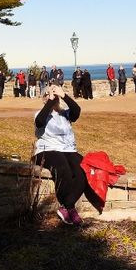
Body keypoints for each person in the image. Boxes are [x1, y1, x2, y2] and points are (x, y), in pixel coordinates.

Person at [33, 83, 93, 226]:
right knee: (63, 169)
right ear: (44, 98)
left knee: (84, 170)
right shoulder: (40, 114)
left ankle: (67, 206)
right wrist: (50, 101)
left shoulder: (65, 113)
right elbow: (40, 122)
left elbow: (77, 111)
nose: (54, 98)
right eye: (48, 94)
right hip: (47, 149)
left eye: (55, 95)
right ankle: (70, 208)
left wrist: (64, 95)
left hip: (68, 149)